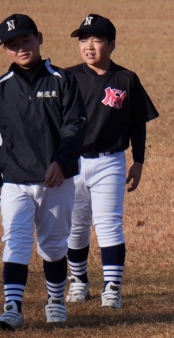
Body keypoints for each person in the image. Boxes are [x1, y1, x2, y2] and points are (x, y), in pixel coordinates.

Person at [65, 14, 159, 309]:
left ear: (112, 44)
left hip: (110, 161)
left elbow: (137, 123)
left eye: (97, 40)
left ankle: (112, 287)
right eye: (83, 39)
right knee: (75, 226)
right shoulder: (67, 78)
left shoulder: (126, 79)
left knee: (109, 224)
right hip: (72, 162)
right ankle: (79, 281)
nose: (89, 46)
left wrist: (139, 161)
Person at [0, 14, 86, 330]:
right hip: (15, 180)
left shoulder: (63, 80)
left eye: (26, 40)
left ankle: (55, 300)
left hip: (55, 180)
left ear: (39, 38)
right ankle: (12, 307)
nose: (21, 48)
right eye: (12, 44)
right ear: (5, 49)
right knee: (15, 241)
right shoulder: (2, 88)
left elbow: (74, 125)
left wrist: (61, 162)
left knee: (53, 245)